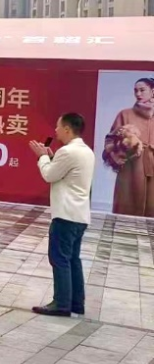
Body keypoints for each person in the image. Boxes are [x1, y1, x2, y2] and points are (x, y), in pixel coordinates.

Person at [28, 113, 95, 317]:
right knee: (72, 259)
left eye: (58, 127)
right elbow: (63, 174)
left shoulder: (67, 151)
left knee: (60, 259)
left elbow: (49, 175)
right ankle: (76, 303)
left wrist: (42, 157)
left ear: (67, 129)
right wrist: (51, 158)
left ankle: (62, 303)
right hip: (79, 214)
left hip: (66, 214)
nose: (55, 131)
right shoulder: (86, 151)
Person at [102, 78, 154, 217]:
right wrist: (124, 147)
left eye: (142, 90)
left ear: (153, 91)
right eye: (136, 90)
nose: (138, 94)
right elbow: (110, 141)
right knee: (127, 212)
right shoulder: (125, 114)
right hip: (130, 171)